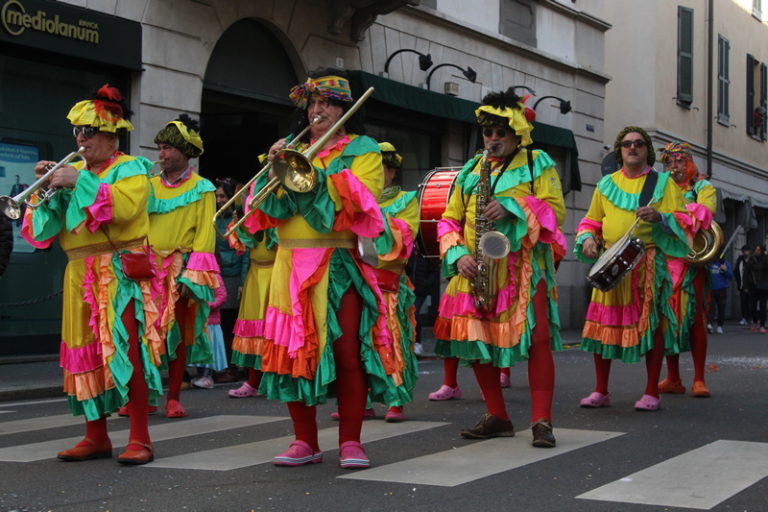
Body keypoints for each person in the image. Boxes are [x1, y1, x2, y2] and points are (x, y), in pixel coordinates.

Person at [242, 69, 402, 469]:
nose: (318, 110)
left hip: (338, 263)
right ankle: (304, 441)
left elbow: (364, 201)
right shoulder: (291, 148)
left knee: (347, 352)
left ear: (344, 109)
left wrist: (307, 173)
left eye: (327, 103)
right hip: (289, 264)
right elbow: (264, 212)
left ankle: (351, 440)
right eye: (313, 103)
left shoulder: (362, 148)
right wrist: (273, 167)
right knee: (292, 353)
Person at [21, 84, 161, 464]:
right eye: (77, 132)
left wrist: (78, 181)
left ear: (110, 135)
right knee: (84, 354)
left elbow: (126, 209)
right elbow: (44, 232)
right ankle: (95, 435)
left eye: (88, 132)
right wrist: (43, 191)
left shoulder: (131, 167)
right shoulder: (76, 172)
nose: (81, 139)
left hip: (117, 272)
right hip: (78, 271)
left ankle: (140, 438)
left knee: (126, 351)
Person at [433, 87, 566, 447]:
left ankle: (542, 421)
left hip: (523, 266)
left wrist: (512, 206)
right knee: (475, 342)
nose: (492, 139)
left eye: (500, 132)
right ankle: (497, 415)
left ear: (517, 133)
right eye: (488, 132)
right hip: (476, 266)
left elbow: (556, 211)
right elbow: (448, 220)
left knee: (538, 341)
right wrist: (456, 254)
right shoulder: (470, 170)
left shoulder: (538, 163)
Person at [575, 127, 694, 412]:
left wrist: (661, 217)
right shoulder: (606, 185)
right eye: (627, 144)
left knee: (651, 328)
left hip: (648, 263)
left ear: (647, 150)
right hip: (612, 263)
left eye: (639, 143)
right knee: (601, 327)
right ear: (619, 150)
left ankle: (652, 391)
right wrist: (588, 239)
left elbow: (685, 220)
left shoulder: (663, 183)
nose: (632, 148)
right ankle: (601, 390)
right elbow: (590, 221)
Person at [330, 142, 419, 422]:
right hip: (356, 282)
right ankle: (361, 403)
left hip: (387, 283)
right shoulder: (351, 201)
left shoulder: (406, 201)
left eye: (380, 169)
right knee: (357, 345)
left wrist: (368, 211)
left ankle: (395, 400)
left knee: (391, 343)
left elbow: (403, 238)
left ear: (392, 172)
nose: (375, 175)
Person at [145, 114, 219, 418]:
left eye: (167, 148)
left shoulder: (204, 188)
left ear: (184, 152)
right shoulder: (146, 185)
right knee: (143, 334)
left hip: (181, 268)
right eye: (160, 147)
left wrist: (194, 277)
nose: (161, 154)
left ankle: (173, 396)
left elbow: (205, 235)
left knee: (177, 337)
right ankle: (144, 396)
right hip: (146, 268)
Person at [656, 142, 717, 398]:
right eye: (669, 162)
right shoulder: (661, 188)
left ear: (690, 163)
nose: (674, 167)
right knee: (667, 321)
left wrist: (671, 215)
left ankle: (699, 379)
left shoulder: (703, 187)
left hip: (692, 266)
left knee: (696, 321)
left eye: (679, 161)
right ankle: (673, 377)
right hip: (664, 261)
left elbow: (704, 212)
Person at [226, 210, 277, 399]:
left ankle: (274, 381)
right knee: (254, 332)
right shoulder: (253, 210)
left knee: (274, 332)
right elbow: (240, 243)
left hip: (276, 272)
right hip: (255, 274)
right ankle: (253, 381)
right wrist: (240, 217)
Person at [212, 176, 250, 383]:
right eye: (217, 196)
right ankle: (226, 364)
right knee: (222, 322)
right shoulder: (216, 218)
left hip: (234, 276)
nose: (219, 200)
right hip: (219, 275)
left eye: (223, 196)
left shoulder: (237, 218)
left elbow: (245, 253)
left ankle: (235, 366)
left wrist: (243, 281)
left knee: (233, 322)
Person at [190, 271, 229, 388]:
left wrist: (207, 305)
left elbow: (221, 296)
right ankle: (200, 374)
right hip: (198, 321)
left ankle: (208, 376)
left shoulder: (215, 276)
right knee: (200, 350)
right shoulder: (192, 275)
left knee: (209, 350)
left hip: (211, 322)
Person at [707, 257, 733, 335]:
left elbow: (730, 276)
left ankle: (720, 326)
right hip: (711, 289)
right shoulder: (709, 262)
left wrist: (725, 270)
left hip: (722, 289)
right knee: (710, 308)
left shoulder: (725, 263)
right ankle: (709, 324)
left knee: (721, 308)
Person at [749, 244, 768, 333]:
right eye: (756, 249)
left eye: (758, 250)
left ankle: (762, 325)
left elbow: (763, 268)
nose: (756, 251)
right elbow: (747, 272)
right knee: (752, 305)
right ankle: (755, 321)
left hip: (763, 285)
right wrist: (745, 285)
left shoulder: (765, 259)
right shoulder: (752, 259)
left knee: (762, 306)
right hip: (753, 285)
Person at [735, 245, 753, 326]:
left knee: (751, 302)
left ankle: (751, 317)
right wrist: (738, 283)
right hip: (742, 285)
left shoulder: (752, 260)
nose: (746, 252)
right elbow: (736, 272)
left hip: (751, 286)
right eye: (744, 251)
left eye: (747, 251)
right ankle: (744, 317)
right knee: (743, 302)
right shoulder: (740, 260)